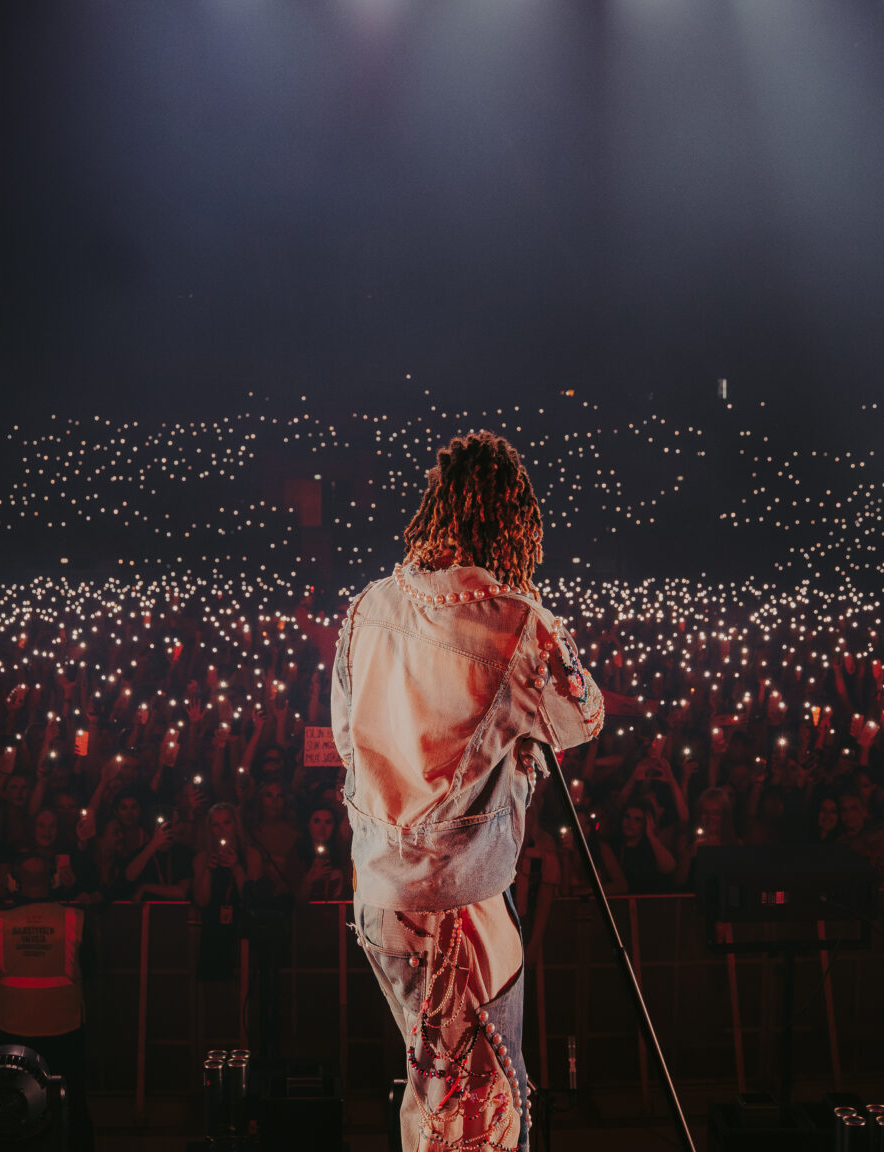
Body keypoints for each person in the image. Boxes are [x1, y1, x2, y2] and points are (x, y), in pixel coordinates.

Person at [333, 431, 603, 1151]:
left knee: (438, 1093)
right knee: (480, 1113)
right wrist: (536, 619)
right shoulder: (513, 623)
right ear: (514, 524)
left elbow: (346, 741)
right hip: (458, 906)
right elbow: (583, 717)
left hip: (379, 898)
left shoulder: (368, 608)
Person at [0, 854, 95, 1151]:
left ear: (14, 881)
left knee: (16, 1106)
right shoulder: (74, 918)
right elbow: (92, 968)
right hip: (65, 1027)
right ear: (54, 879)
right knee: (72, 1103)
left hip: (14, 1028)